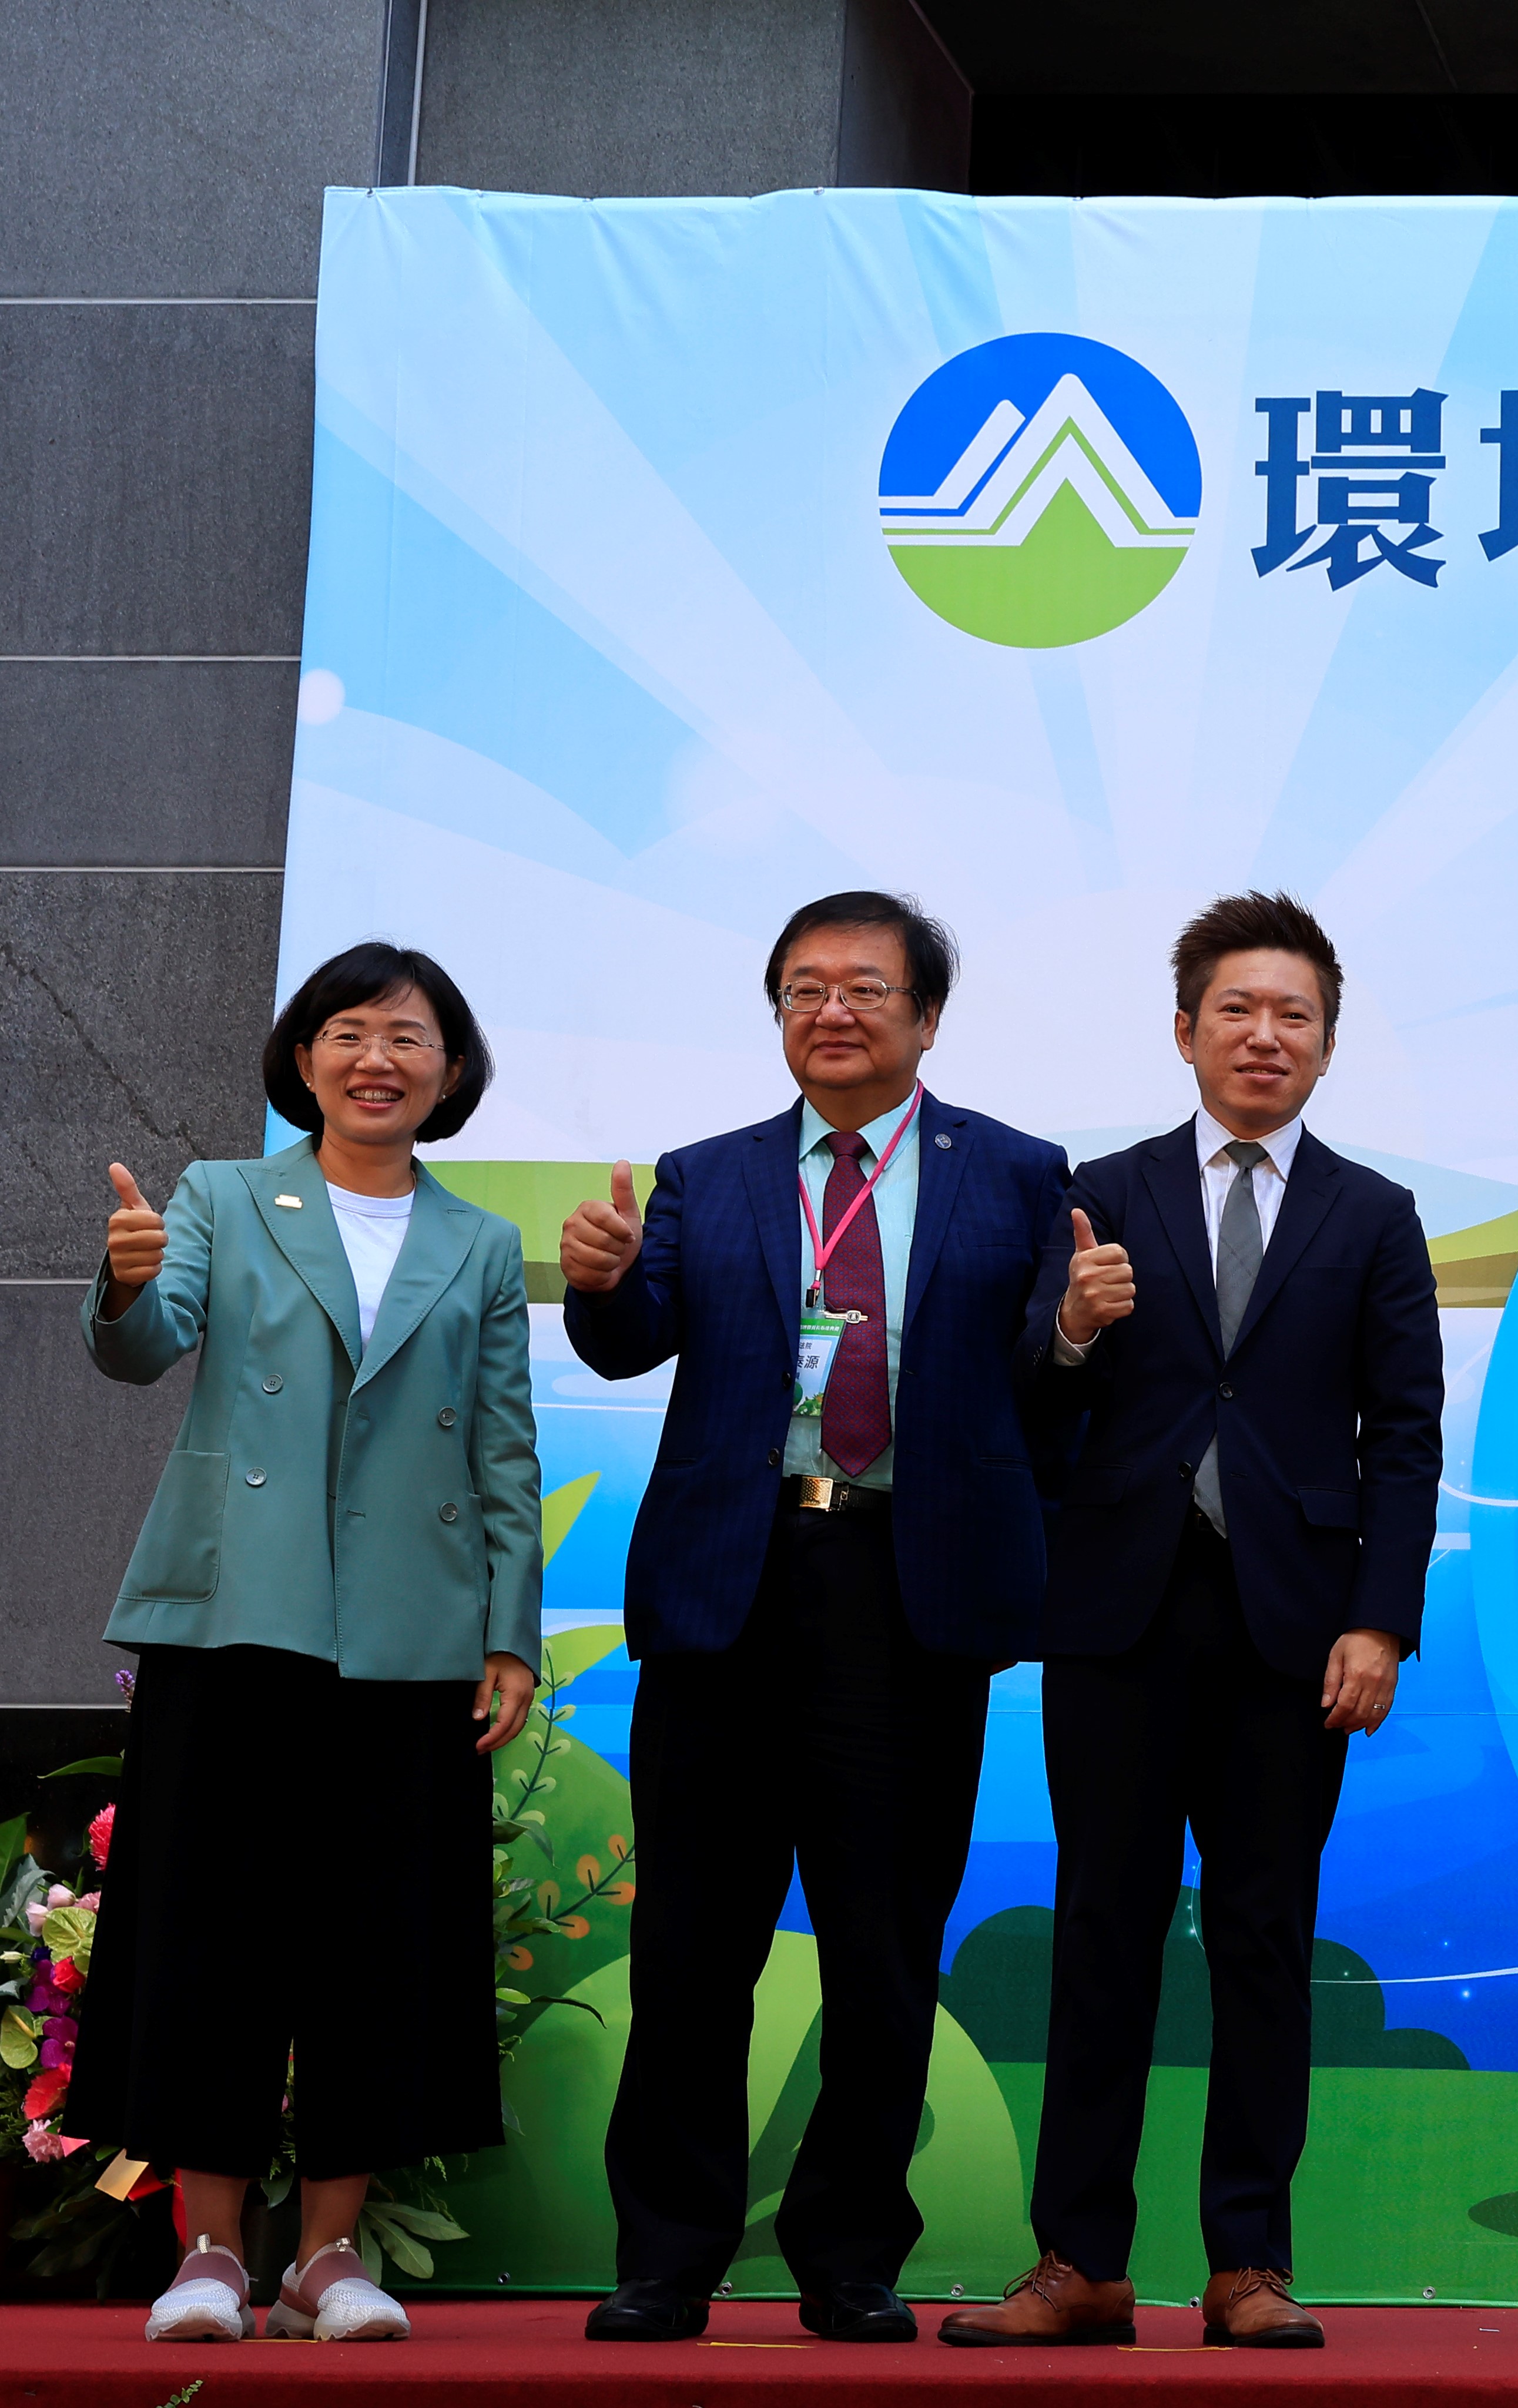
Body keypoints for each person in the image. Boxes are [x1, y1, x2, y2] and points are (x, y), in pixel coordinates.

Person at [556, 892, 1076, 2345]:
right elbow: (633, 1328)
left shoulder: (1019, 1174)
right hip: (732, 1584)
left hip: (910, 1594)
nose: (830, 1010)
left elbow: (1049, 1375)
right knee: (693, 1950)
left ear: (924, 1016)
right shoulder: (706, 1177)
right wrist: (597, 1285)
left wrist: (1085, 1328)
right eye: (801, 988)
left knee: (884, 1940)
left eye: (862, 986)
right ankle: (667, 2255)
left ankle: (851, 2254)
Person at [943, 894, 1443, 2349]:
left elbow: (1402, 1439)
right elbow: (1027, 1392)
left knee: (1265, 1941)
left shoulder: (1374, 1216)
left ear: (1329, 1044)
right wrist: (1075, 1328)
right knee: (1102, 1931)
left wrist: (1383, 1625)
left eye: (1294, 1015)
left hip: (1296, 1633)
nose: (1264, 1036)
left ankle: (1248, 2265)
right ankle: (1080, 2262)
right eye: (1237, 1010)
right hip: (1119, 1617)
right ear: (1185, 1031)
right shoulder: (1102, 1189)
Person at [75, 943, 540, 2347]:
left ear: (449, 1072)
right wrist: (124, 1281)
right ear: (301, 1058)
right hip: (238, 1617)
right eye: (348, 1033)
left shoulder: (478, 1242)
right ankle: (210, 2251)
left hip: (412, 1635)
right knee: (210, 1932)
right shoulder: (222, 1196)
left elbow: (507, 1448)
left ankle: (328, 2256)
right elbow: (146, 1348)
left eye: (408, 1038)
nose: (376, 1060)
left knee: (382, 1949)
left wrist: (508, 1633)